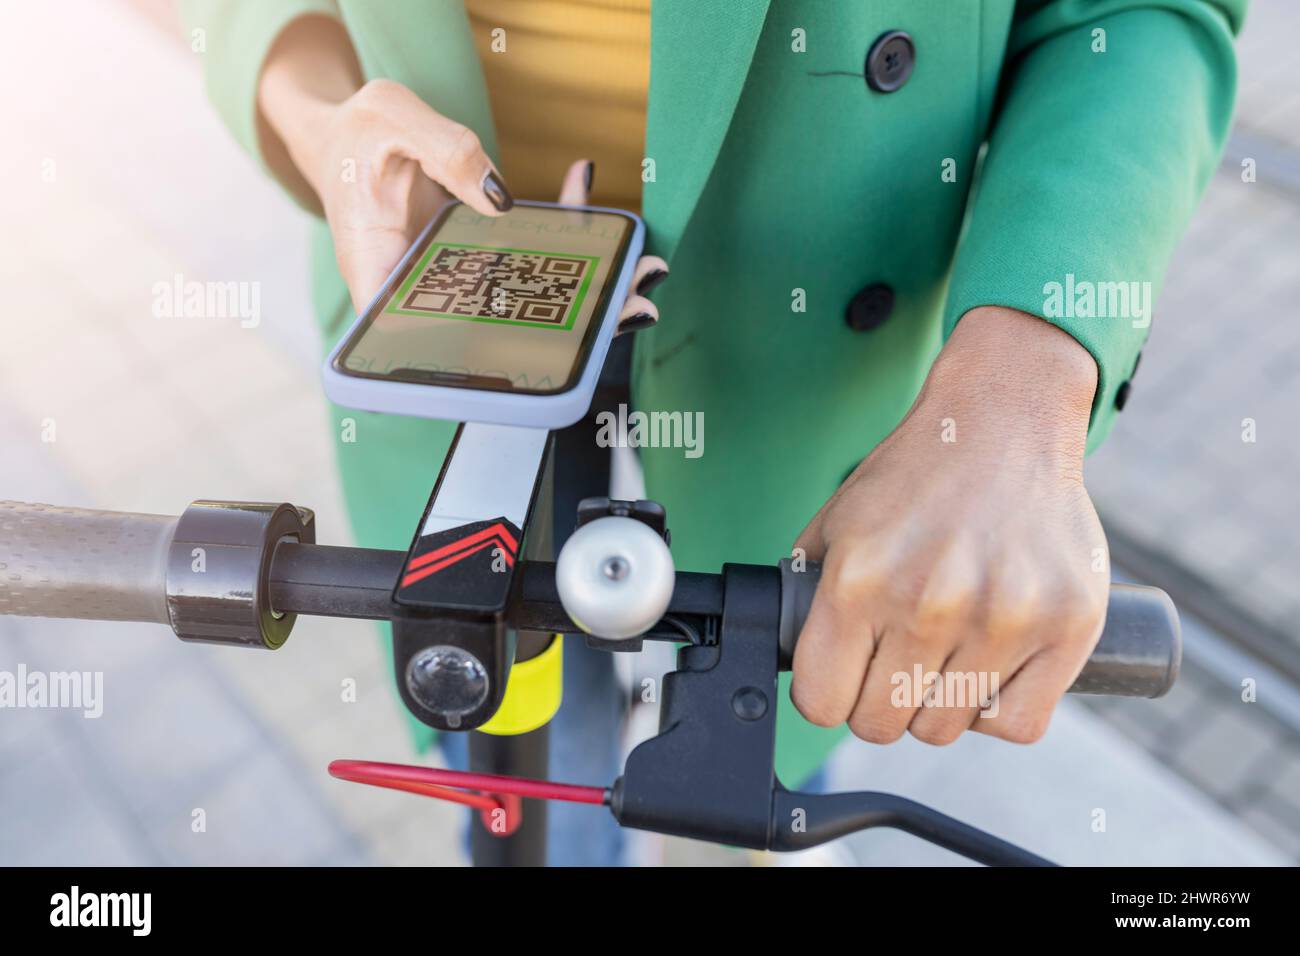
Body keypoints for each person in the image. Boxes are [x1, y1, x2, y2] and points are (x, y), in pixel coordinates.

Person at [179, 0, 1245, 864]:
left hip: (807, 364)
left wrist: (1021, 388)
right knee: (520, 791)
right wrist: (322, 118)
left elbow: (1136, 15)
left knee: (775, 732)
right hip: (460, 324)